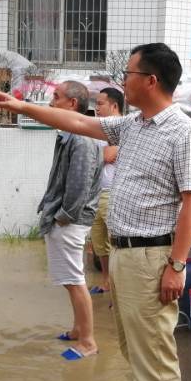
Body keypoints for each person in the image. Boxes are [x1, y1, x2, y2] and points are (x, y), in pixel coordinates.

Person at [0, 43, 191, 381]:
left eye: (128, 73)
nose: (120, 81)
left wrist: (177, 266)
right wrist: (22, 106)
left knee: (156, 356)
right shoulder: (134, 125)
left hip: (153, 257)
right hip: (126, 255)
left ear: (151, 81)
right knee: (132, 348)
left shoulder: (183, 133)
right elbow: (80, 122)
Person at [38, 81, 103, 359]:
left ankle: (88, 341)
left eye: (56, 97)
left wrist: (62, 218)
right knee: (69, 278)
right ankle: (78, 330)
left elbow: (78, 186)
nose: (51, 102)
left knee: (75, 279)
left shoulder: (81, 139)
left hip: (70, 221)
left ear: (72, 104)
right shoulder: (71, 135)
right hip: (66, 218)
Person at [88, 86, 124, 296]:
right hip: (97, 193)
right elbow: (99, 156)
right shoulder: (99, 129)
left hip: (114, 193)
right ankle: (106, 282)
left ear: (114, 105)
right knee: (99, 242)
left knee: (114, 242)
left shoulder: (123, 128)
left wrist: (97, 155)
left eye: (100, 104)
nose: (96, 108)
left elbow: (106, 156)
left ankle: (118, 287)